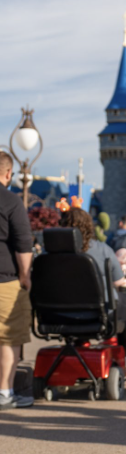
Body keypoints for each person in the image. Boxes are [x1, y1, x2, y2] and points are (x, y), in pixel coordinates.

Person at [61, 207, 126, 370]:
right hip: (97, 312)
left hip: (58, 313)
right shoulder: (102, 249)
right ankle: (125, 352)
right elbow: (118, 282)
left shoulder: (49, 252)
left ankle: (80, 342)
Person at [0, 151, 34, 410]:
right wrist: (25, 276)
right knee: (8, 339)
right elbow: (23, 245)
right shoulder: (11, 202)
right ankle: (4, 393)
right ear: (8, 173)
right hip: (5, 283)